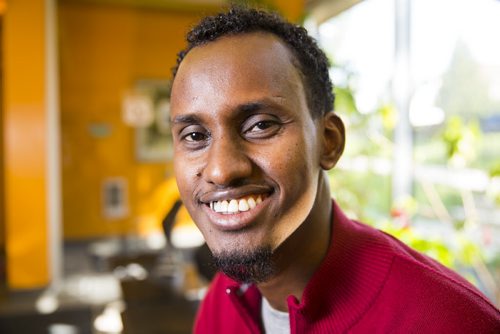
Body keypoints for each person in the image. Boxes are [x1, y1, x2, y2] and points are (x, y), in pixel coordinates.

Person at [169, 6, 500, 333]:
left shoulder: (448, 321)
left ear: (329, 142)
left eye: (260, 125)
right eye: (195, 136)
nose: (222, 170)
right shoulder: (223, 302)